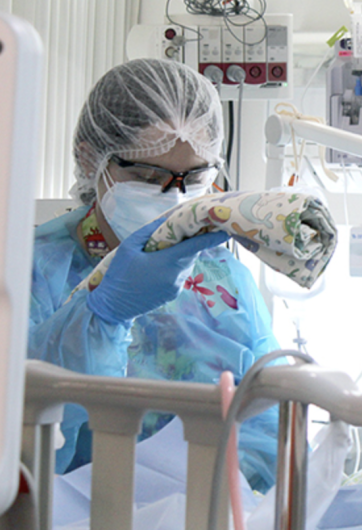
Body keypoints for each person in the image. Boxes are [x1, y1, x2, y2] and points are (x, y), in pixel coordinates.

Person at [28, 58, 281, 492]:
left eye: (195, 176)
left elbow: (268, 428)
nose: (175, 195)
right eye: (148, 176)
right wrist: (101, 315)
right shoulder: (29, 270)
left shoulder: (222, 277)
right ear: (90, 159)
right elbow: (22, 433)